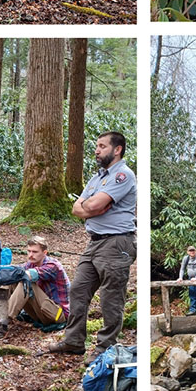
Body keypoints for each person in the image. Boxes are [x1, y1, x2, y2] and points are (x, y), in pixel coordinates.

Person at [46, 131, 135, 356]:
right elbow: (77, 208)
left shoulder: (123, 175)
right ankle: (74, 341)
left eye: (102, 146)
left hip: (116, 243)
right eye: (97, 146)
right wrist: (90, 207)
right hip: (94, 243)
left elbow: (93, 206)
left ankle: (105, 348)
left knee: (110, 298)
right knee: (78, 290)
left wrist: (90, 208)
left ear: (118, 149)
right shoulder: (97, 179)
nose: (96, 150)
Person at [0, 237, 70, 342]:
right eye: (29, 251)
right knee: (13, 280)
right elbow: (15, 270)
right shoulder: (31, 263)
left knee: (26, 282)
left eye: (35, 252)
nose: (31, 255)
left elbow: (29, 274)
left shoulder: (53, 265)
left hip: (57, 315)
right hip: (41, 312)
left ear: (44, 252)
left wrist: (10, 272)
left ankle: (3, 324)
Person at [178, 245, 196, 315]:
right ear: (187, 252)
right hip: (190, 278)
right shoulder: (186, 258)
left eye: (193, 250)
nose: (192, 252)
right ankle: (192, 310)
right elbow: (182, 268)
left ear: (195, 251)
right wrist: (180, 277)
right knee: (192, 293)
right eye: (190, 251)